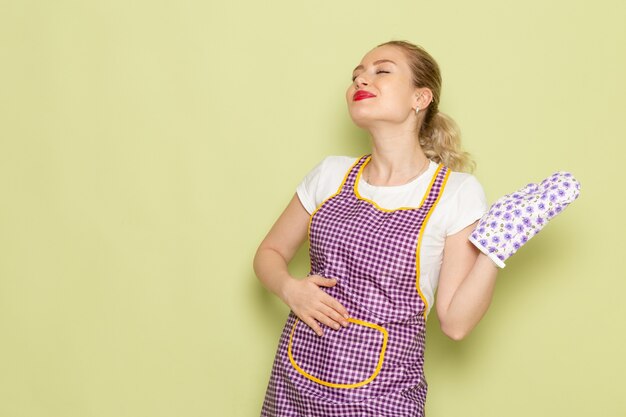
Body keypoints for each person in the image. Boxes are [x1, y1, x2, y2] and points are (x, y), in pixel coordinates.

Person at [253, 40, 501, 417]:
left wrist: (495, 249)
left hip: (384, 395)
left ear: (420, 98)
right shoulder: (330, 174)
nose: (361, 80)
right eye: (356, 75)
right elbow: (268, 254)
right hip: (297, 380)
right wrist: (290, 289)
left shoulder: (457, 193)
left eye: (381, 70)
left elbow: (455, 323)